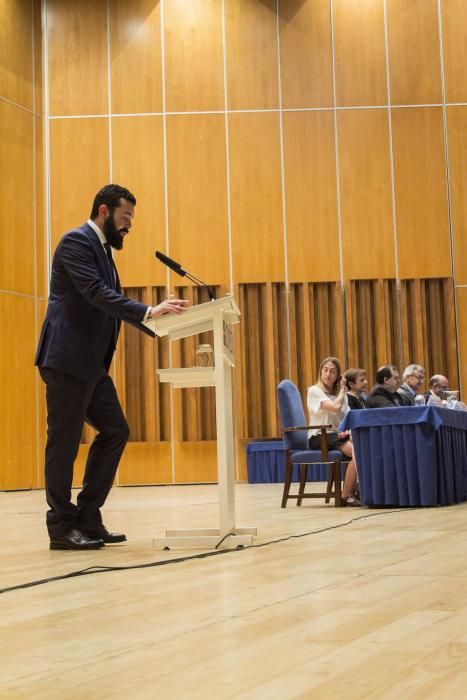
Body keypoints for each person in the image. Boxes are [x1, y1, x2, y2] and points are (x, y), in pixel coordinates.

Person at [35, 184, 189, 550]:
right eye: (125, 217)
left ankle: (88, 517)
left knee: (116, 430)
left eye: (131, 219)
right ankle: (61, 527)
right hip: (67, 360)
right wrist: (148, 312)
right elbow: (95, 293)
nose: (129, 225)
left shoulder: (103, 250)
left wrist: (155, 320)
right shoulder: (75, 242)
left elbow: (109, 302)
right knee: (65, 442)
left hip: (90, 365)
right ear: (103, 212)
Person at [307, 357, 360, 506]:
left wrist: (348, 431)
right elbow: (335, 407)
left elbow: (347, 416)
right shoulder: (314, 391)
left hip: (337, 435)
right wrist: (343, 390)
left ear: (338, 376)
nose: (328, 374)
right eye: (325, 370)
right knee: (358, 451)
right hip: (319, 436)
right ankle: (346, 494)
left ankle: (357, 490)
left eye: (332, 371)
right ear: (320, 372)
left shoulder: (340, 395)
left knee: (363, 447)